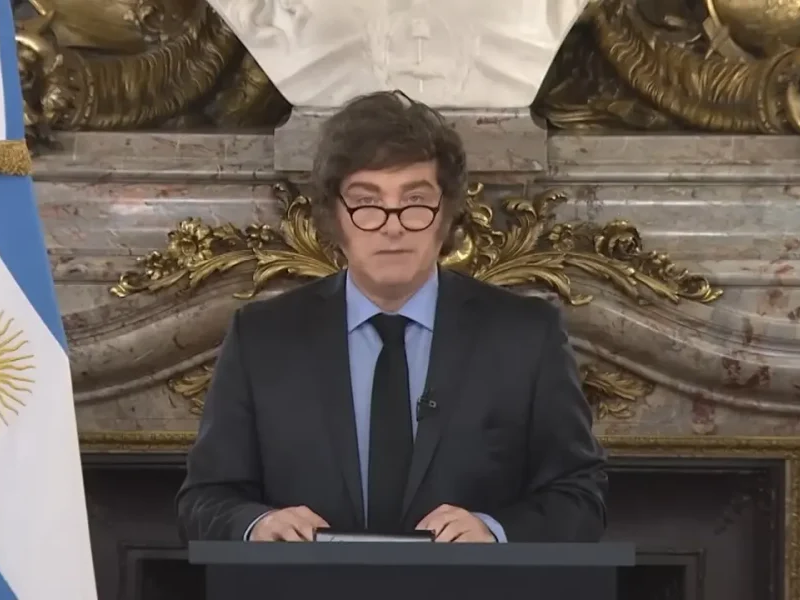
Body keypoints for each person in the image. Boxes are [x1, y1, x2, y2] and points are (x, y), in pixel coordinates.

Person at [176, 91, 607, 543]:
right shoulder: (262, 338)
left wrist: (494, 532)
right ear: (334, 216)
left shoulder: (527, 336)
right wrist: (257, 525)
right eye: (367, 202)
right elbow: (204, 499)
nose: (393, 225)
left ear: (446, 214)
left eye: (415, 200)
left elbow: (581, 496)